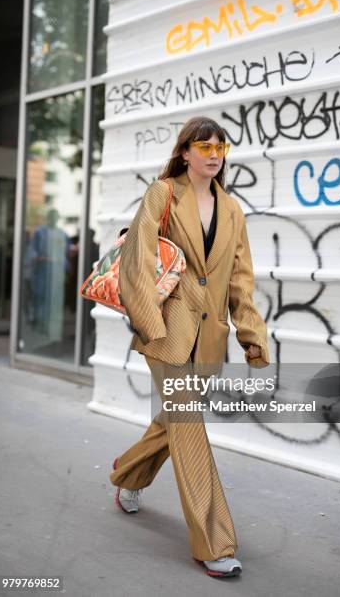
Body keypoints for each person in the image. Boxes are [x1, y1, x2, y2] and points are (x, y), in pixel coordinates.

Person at [109, 116, 270, 578]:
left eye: (222, 147)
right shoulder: (162, 194)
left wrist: (251, 338)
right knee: (188, 425)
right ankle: (214, 541)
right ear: (185, 152)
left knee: (171, 422)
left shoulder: (232, 210)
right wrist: (150, 324)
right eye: (205, 146)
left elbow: (240, 281)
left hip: (209, 342)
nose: (215, 154)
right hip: (167, 332)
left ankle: (127, 472)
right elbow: (137, 261)